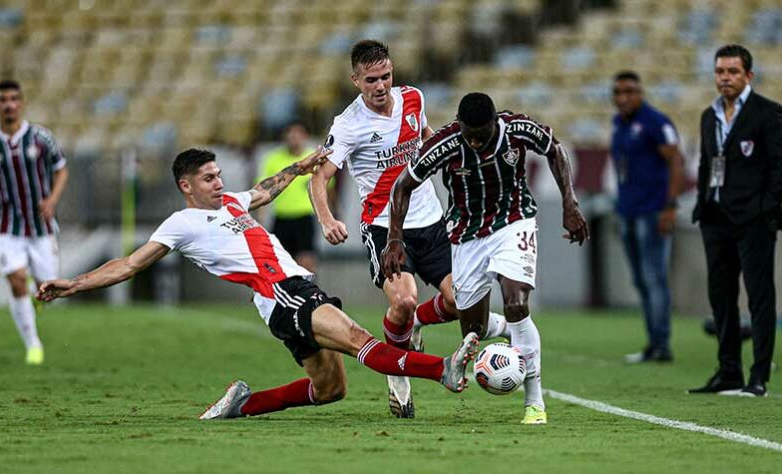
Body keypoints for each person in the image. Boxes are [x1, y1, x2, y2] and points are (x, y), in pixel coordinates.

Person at [36, 148, 479, 420]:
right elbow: (130, 264)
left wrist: (303, 167)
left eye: (219, 175)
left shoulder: (231, 202)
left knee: (331, 391)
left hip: (283, 298)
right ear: (185, 185)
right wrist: (73, 284)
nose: (219, 182)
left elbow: (266, 189)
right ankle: (442, 369)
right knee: (359, 338)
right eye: (209, 178)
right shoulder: (182, 222)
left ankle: (241, 406)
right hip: (282, 292)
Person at [309, 40, 512, 418]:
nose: (381, 86)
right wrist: (327, 219)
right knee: (402, 299)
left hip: (431, 221)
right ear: (356, 80)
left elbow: (429, 138)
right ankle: (397, 375)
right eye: (371, 79)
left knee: (458, 302)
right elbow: (319, 179)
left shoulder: (413, 99)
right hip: (384, 227)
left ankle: (416, 324)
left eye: (386, 76)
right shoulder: (348, 125)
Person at [383, 92, 590, 424]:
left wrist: (570, 202)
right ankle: (428, 320)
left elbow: (555, 149)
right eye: (470, 134)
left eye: (483, 134)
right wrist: (394, 238)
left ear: (495, 122)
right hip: (467, 236)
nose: (476, 141)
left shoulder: (518, 129)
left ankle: (534, 402)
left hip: (514, 221)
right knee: (474, 329)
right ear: (460, 126)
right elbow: (402, 185)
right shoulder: (446, 143)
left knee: (517, 302)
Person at [688, 44, 782, 397]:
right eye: (720, 71)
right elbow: (707, 162)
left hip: (753, 220)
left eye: (732, 72)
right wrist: (702, 204)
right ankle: (728, 370)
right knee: (721, 297)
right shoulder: (709, 116)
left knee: (760, 297)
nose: (725, 78)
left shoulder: (768, 113)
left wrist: (764, 208)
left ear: (749, 75)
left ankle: (758, 375)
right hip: (716, 218)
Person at [0, 79, 69, 365]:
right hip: (7, 225)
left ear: (22, 103)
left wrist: (51, 200)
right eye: (3, 100)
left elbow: (61, 171)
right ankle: (33, 345)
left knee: (48, 288)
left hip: (41, 226)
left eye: (14, 99)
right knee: (15, 281)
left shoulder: (42, 138)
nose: (9, 104)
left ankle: (33, 294)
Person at [610, 71, 685, 363]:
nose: (623, 97)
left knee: (654, 278)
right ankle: (653, 342)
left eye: (629, 91)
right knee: (641, 280)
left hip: (653, 210)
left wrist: (671, 205)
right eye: (617, 92)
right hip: (628, 209)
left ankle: (662, 344)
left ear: (641, 93)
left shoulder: (657, 122)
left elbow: (676, 160)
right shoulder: (619, 122)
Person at [258, 120, 334, 273]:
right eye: (290, 134)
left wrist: (329, 214)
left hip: (305, 218)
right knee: (278, 264)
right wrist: (260, 218)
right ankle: (280, 295)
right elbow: (262, 189)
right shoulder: (273, 159)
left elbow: (328, 188)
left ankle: (308, 294)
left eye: (297, 134)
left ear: (305, 136)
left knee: (306, 263)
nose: (294, 137)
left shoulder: (313, 158)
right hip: (281, 218)